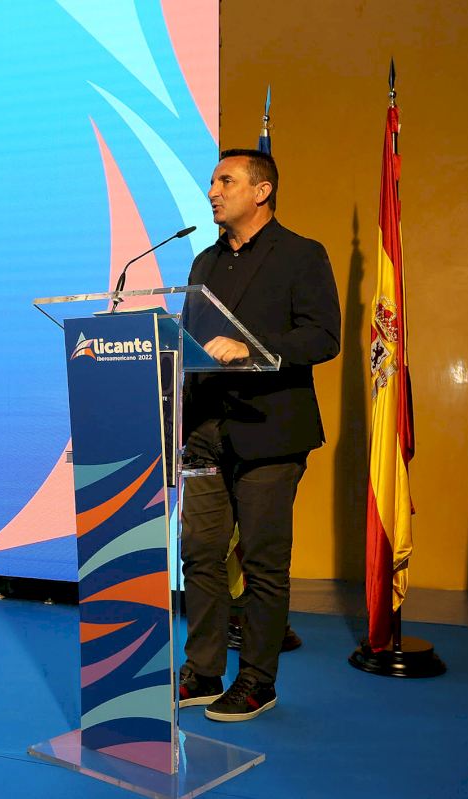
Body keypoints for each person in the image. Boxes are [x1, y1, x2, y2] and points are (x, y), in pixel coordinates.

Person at [178, 148, 340, 721]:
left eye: (226, 181)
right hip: (205, 431)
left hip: (269, 430)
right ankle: (202, 671)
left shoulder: (301, 254)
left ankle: (256, 680)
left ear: (261, 191)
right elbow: (194, 340)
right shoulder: (203, 263)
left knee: (263, 563)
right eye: (212, 182)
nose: (213, 191)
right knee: (200, 554)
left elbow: (323, 337)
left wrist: (252, 349)